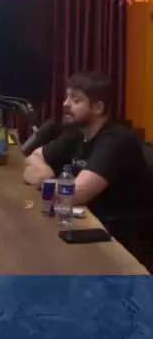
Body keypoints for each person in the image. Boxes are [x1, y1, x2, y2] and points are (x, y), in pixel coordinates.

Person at [23, 71, 149, 224]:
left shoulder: (117, 141)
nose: (65, 104)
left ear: (98, 108)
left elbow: (76, 194)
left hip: (115, 231)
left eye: (75, 100)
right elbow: (34, 157)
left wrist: (42, 179)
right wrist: (46, 176)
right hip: (84, 219)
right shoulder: (77, 133)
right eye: (67, 97)